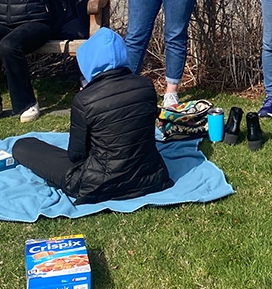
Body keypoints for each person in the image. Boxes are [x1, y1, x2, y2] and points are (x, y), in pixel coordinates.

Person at [12, 28, 174, 204]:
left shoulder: (85, 100)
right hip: (151, 176)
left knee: (23, 146)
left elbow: (76, 155)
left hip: (97, 184)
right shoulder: (146, 86)